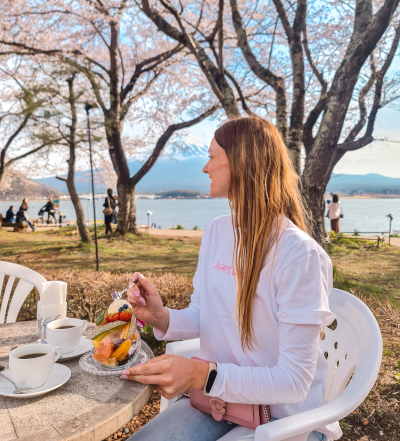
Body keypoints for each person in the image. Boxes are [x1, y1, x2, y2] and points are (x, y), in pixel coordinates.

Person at [122, 118, 341, 441]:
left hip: (288, 421)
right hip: (223, 401)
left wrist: (202, 374)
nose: (205, 168)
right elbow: (205, 313)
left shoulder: (300, 255)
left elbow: (294, 381)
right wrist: (161, 316)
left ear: (240, 163)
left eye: (212, 157)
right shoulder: (216, 232)